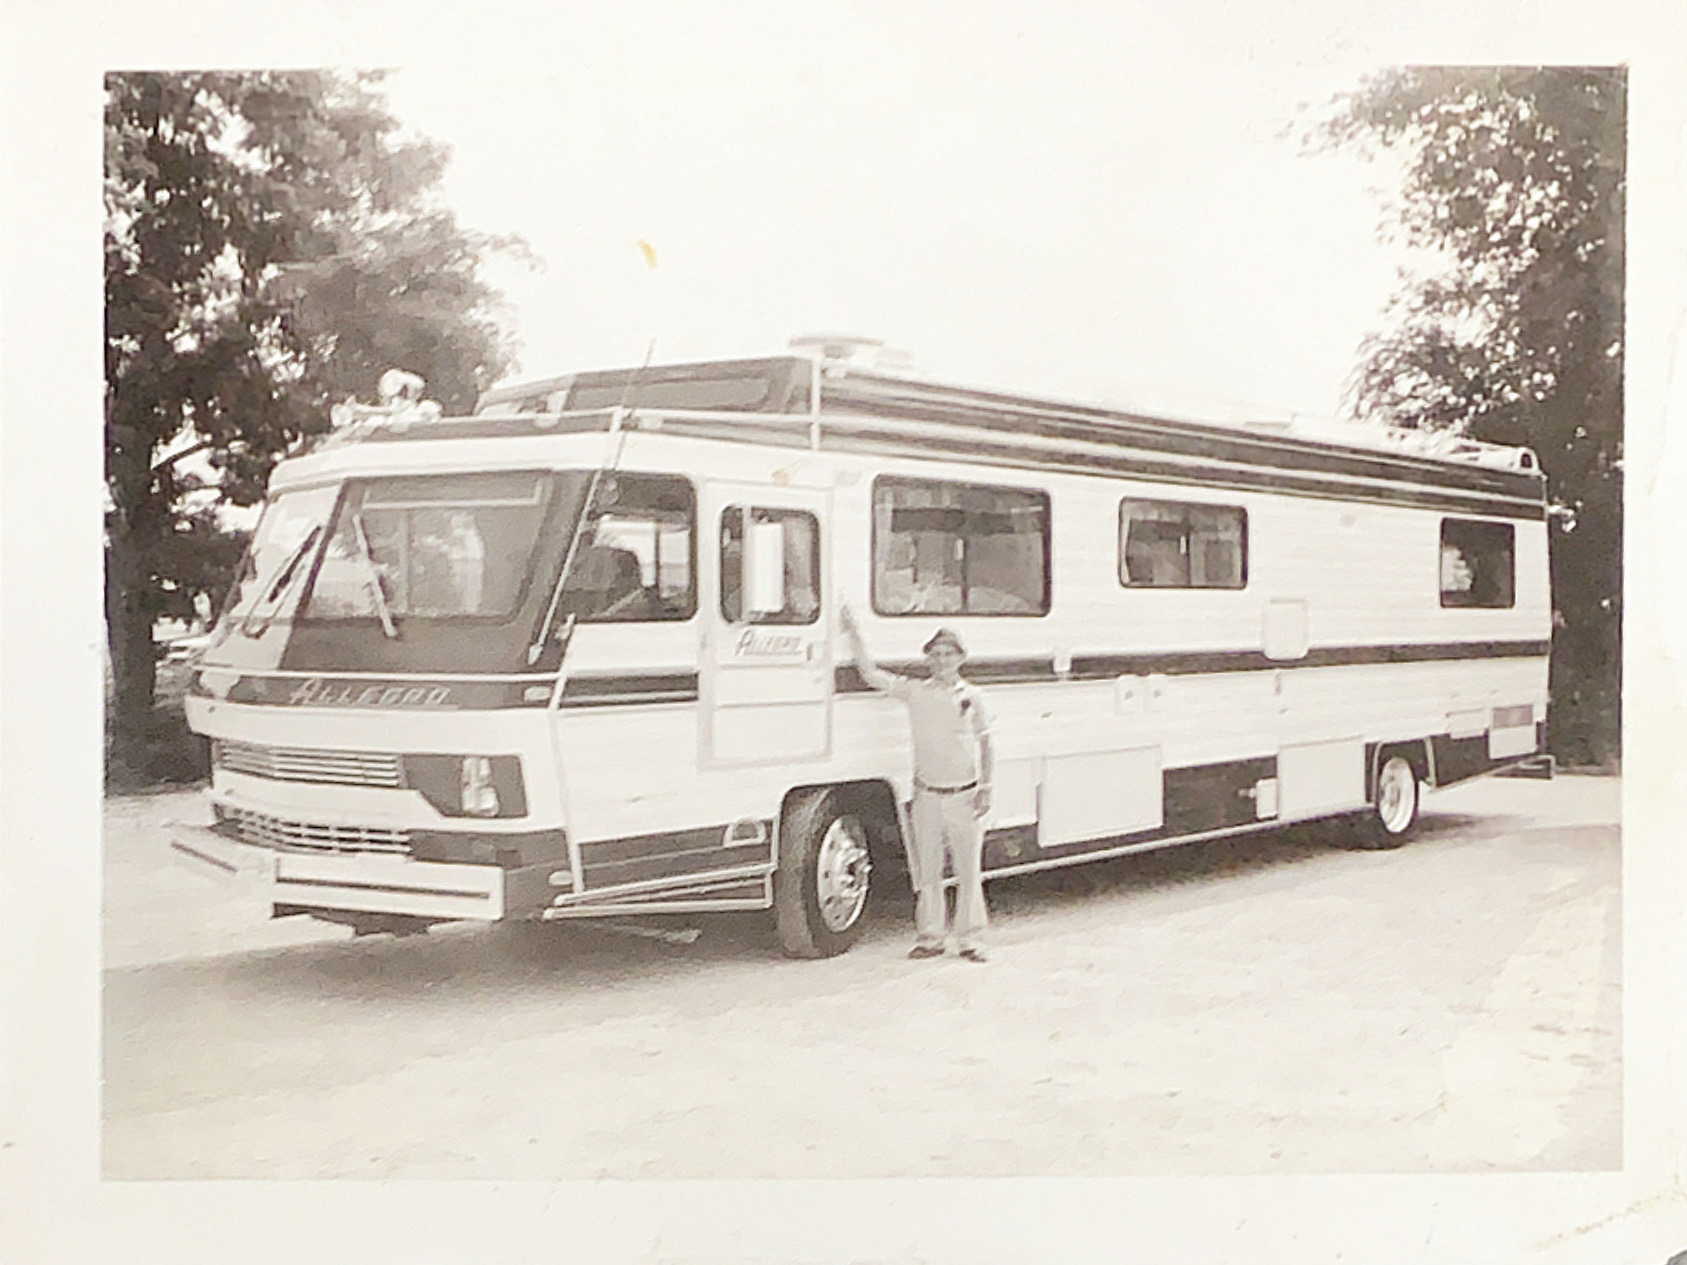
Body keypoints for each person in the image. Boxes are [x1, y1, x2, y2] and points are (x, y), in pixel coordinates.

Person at [838, 604, 994, 962]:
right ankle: (931, 937)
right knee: (928, 870)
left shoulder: (972, 696)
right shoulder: (916, 691)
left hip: (964, 794)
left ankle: (971, 939)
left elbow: (986, 742)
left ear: (960, 658)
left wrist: (986, 788)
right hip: (926, 794)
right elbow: (871, 673)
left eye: (948, 654)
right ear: (928, 659)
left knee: (970, 870)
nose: (941, 661)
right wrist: (853, 632)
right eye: (935, 655)